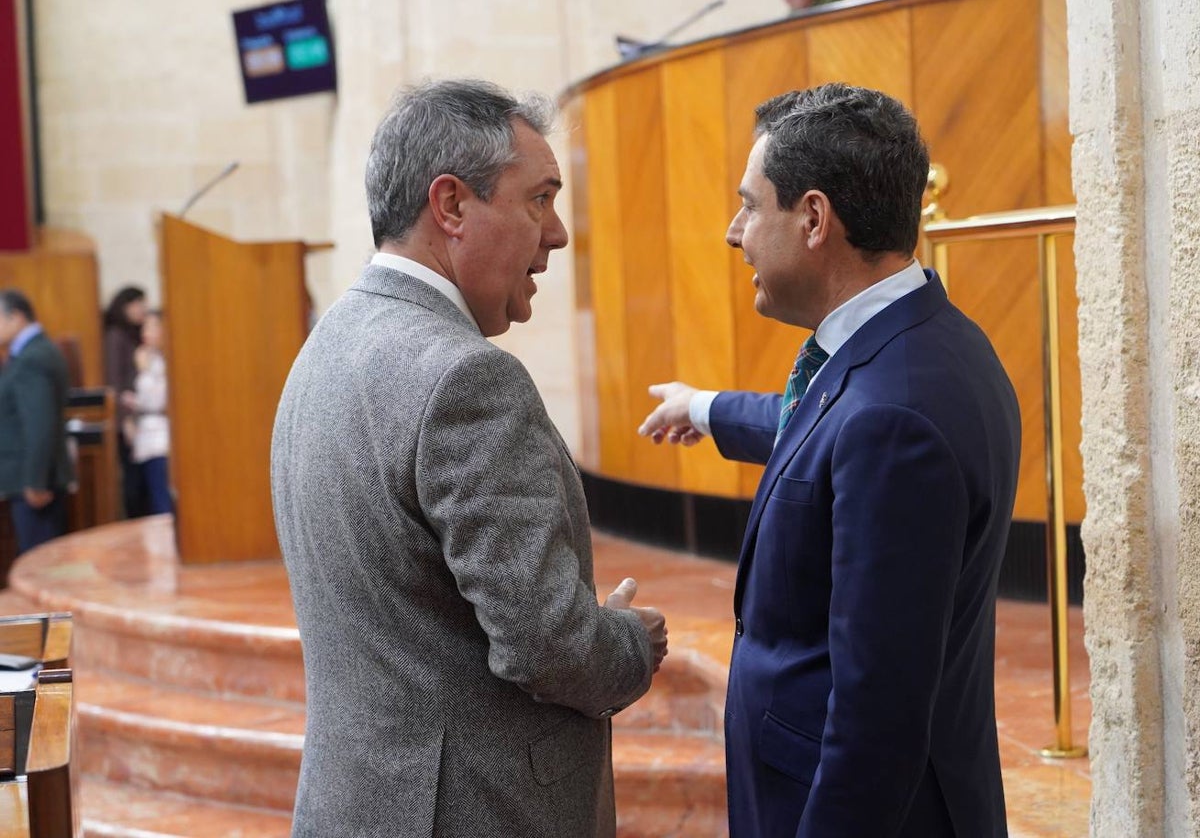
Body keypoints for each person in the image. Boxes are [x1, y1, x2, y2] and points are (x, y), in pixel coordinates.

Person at [271, 79, 668, 838]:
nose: (555, 235)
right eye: (538, 199)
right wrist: (627, 643)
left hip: (356, 803)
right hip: (473, 812)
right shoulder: (465, 378)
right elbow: (546, 644)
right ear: (451, 206)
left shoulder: (327, 344)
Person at [638, 84, 1019, 837]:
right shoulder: (925, 342)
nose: (733, 231)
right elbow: (817, 429)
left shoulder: (892, 419)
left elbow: (877, 719)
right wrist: (707, 407)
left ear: (813, 218)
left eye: (750, 205)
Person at [0, 290, 74, 560]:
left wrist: (35, 481)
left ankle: (48, 606)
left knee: (41, 563)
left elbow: (39, 424)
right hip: (31, 478)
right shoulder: (32, 353)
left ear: (16, 317)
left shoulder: (33, 358)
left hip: (34, 483)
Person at [102, 285, 149, 518]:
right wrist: (125, 420)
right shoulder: (115, 336)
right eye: (138, 304)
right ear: (124, 306)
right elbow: (115, 382)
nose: (143, 309)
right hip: (126, 420)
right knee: (133, 482)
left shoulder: (133, 335)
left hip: (136, 417)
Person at [121, 311, 172, 515]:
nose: (145, 332)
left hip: (160, 439)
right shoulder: (154, 359)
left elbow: (157, 399)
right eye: (145, 327)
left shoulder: (163, 362)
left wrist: (143, 369)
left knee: (162, 503)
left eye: (152, 326)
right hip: (147, 437)